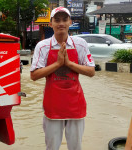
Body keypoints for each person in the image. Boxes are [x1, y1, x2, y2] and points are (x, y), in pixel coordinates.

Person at [30, 7, 95, 150]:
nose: (61, 23)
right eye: (57, 20)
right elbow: (34, 75)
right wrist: (58, 64)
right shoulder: (42, 46)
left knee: (76, 147)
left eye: (65, 19)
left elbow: (91, 71)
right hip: (53, 105)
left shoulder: (80, 44)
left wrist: (69, 64)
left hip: (75, 105)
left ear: (70, 22)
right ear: (51, 23)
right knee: (52, 147)